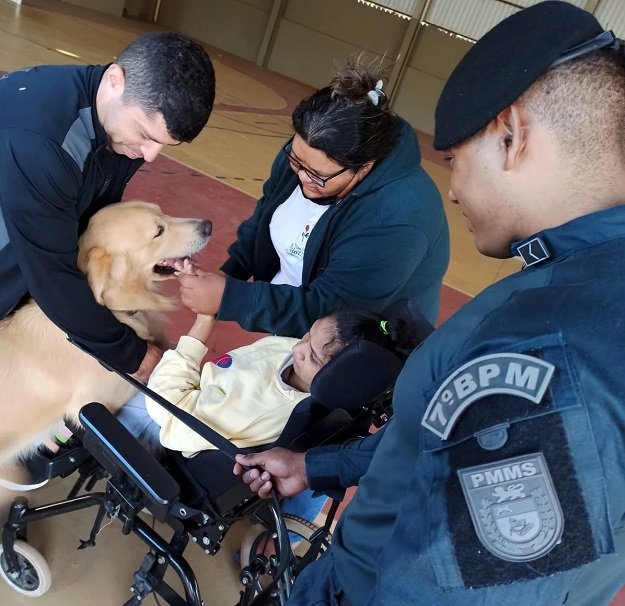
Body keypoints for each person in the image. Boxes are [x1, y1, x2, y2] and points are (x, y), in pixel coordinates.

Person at [234, 2, 625, 605]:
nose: (455, 189)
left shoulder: (550, 347)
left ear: (512, 136)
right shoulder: (580, 286)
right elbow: (435, 435)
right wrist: (317, 467)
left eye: (455, 160)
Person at [176, 57, 449, 335]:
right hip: (296, 315)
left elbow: (334, 312)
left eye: (318, 176)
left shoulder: (398, 217)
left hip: (361, 340)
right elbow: (263, 222)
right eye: (296, 161)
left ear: (364, 168)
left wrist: (232, 298)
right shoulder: (307, 155)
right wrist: (228, 274)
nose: (303, 178)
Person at [0, 32, 215, 383]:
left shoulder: (116, 124)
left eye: (164, 145)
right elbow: (51, 275)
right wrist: (131, 355)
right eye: (146, 134)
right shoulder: (43, 143)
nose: (150, 155)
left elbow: (89, 222)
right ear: (115, 79)